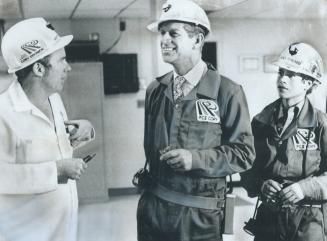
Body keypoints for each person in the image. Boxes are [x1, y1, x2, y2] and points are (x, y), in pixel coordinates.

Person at [136, 1, 255, 240]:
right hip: (154, 211)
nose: (164, 40)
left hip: (199, 218)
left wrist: (195, 159)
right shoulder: (155, 90)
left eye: (173, 33)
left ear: (198, 40)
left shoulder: (227, 92)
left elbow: (244, 153)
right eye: (162, 33)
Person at [0, 18, 95, 241]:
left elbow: (49, 146)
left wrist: (83, 131)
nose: (68, 67)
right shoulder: (3, 113)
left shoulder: (54, 100)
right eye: (62, 60)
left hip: (62, 229)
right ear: (39, 68)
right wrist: (56, 172)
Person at [241, 42, 327, 241]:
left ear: (308, 83)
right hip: (269, 218)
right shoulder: (261, 121)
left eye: (291, 74)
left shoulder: (321, 123)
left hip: (308, 220)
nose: (283, 79)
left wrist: (303, 188)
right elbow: (246, 167)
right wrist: (261, 184)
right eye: (281, 72)